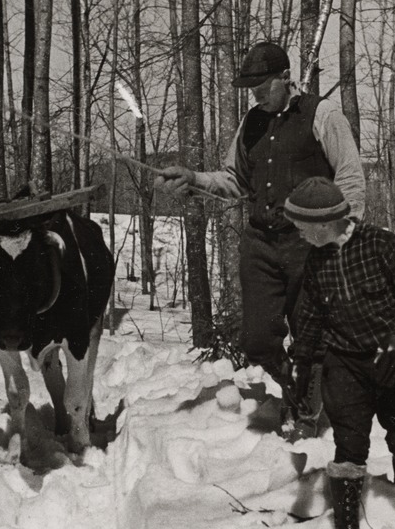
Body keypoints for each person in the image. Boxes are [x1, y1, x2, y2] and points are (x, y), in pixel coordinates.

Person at [156, 41, 366, 440]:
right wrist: (194, 179)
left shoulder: (322, 114)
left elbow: (351, 180)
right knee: (256, 339)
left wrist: (342, 237)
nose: (254, 94)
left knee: (311, 338)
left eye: (262, 85)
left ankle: (306, 408)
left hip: (311, 246)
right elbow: (234, 180)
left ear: (286, 78)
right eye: (250, 87)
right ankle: (293, 389)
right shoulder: (251, 122)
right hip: (261, 245)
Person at [283, 177, 395, 529]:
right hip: (344, 362)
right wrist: (302, 365)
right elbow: (312, 318)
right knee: (349, 442)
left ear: (323, 223)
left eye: (303, 228)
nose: (299, 235)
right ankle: (347, 527)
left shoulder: (380, 244)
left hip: (391, 358)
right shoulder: (317, 261)